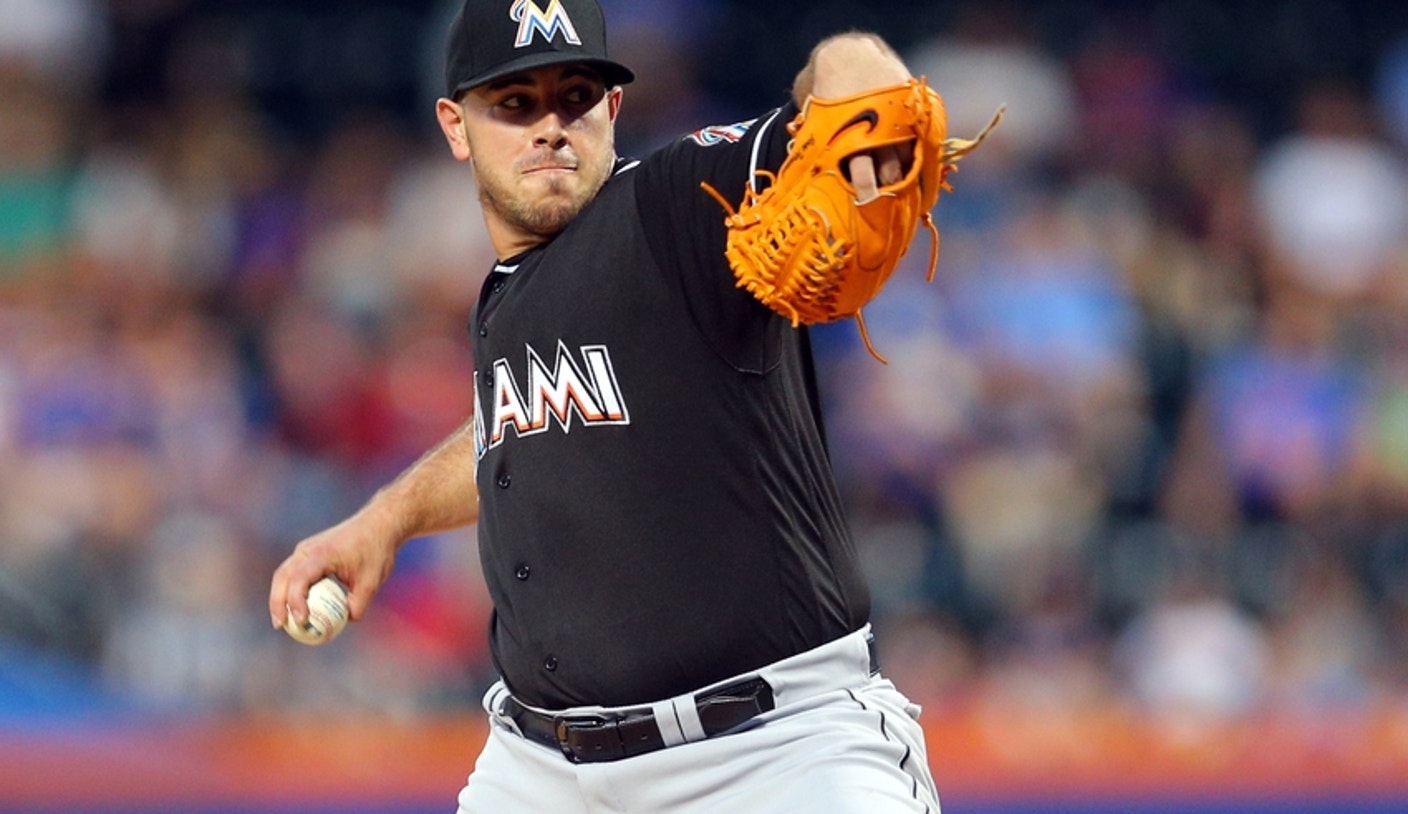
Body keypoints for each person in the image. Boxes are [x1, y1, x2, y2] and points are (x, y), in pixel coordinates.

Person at [270, 0, 947, 811]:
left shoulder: (675, 205)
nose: (551, 125)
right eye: (516, 104)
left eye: (576, 98)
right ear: (456, 127)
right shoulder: (508, 296)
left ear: (613, 111)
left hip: (774, 754)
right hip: (540, 769)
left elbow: (863, 73)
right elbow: (516, 438)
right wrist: (383, 521)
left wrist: (849, 93)